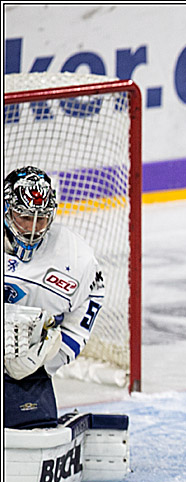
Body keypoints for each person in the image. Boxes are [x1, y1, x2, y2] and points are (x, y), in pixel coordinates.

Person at [4, 166, 105, 429]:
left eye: (42, 219)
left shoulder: (74, 257)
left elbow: (93, 292)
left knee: (33, 432)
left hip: (26, 374)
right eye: (24, 217)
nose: (33, 229)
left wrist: (51, 359)